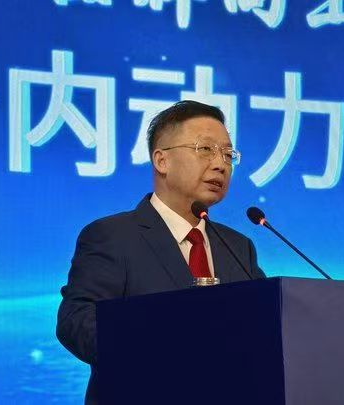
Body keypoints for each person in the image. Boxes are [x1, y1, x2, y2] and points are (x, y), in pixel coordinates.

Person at [56, 100, 266, 404]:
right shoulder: (112, 236)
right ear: (161, 160)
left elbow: (266, 327)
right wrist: (164, 350)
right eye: (205, 149)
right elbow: (76, 321)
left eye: (227, 154)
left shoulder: (238, 247)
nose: (220, 164)